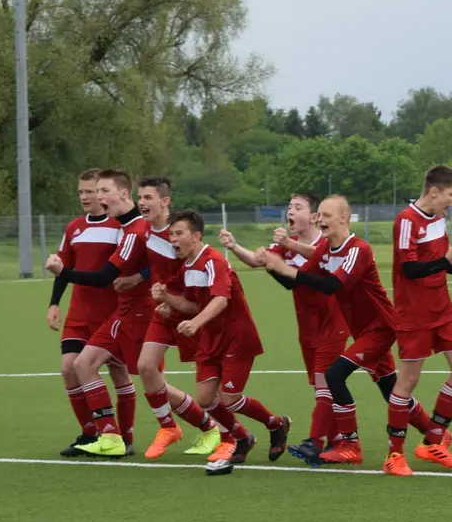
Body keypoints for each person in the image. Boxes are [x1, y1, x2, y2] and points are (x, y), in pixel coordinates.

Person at [258, 195, 447, 471]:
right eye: (319, 214)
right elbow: (298, 282)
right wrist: (271, 265)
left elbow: (331, 285)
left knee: (334, 375)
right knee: (390, 390)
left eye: (327, 215)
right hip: (362, 331)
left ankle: (350, 445)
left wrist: (285, 267)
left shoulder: (358, 249)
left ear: (344, 219)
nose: (320, 220)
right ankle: (435, 434)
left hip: (380, 327)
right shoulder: (325, 250)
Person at [222, 192, 396, 458]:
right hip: (308, 327)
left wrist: (283, 263)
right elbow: (268, 265)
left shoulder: (325, 244)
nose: (290, 210)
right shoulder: (286, 246)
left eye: (298, 207)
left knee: (331, 381)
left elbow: (317, 273)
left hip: (335, 324)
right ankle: (341, 440)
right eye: (289, 205)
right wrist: (237, 248)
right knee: (339, 386)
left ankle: (317, 441)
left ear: (313, 216)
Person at [152, 210, 287, 475]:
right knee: (204, 399)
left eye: (179, 233)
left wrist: (195, 323)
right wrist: (167, 300)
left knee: (231, 398)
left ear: (196, 236)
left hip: (237, 337)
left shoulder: (213, 261)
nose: (173, 239)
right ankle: (242, 437)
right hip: (211, 339)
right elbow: (192, 304)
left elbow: (220, 300)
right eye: (170, 234)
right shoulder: (187, 267)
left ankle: (275, 423)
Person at [44, 169, 160, 458]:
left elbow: (151, 256)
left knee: (120, 373)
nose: (89, 196)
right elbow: (65, 267)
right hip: (79, 314)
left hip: (113, 311)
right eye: (83, 192)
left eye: (94, 191)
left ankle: (125, 436)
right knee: (69, 369)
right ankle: (91, 433)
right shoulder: (74, 228)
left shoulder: (123, 225)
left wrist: (138, 278)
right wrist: (54, 303)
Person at [386, 166, 452, 473]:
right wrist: (446, 261)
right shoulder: (406, 221)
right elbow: (410, 270)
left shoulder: (438, 220)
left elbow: (444, 266)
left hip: (442, 309)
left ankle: (433, 441)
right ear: (434, 191)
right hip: (414, 313)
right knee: (408, 381)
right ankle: (394, 455)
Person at [133, 177, 223, 459]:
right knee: (146, 367)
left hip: (189, 312)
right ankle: (169, 427)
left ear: (165, 201)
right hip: (163, 312)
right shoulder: (145, 232)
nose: (142, 203)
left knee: (208, 388)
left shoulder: (178, 234)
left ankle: (227, 432)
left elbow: (192, 275)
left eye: (148, 198)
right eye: (140, 198)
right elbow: (156, 268)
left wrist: (174, 303)